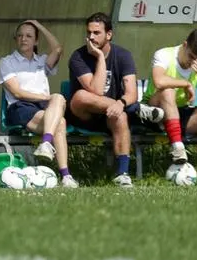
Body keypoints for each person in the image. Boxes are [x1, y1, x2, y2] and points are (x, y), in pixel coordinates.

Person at [66, 12, 162, 188]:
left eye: (96, 33)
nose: (91, 37)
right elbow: (95, 90)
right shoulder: (78, 57)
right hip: (84, 115)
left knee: (121, 116)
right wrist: (101, 57)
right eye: (89, 33)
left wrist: (121, 103)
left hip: (112, 112)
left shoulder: (123, 55)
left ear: (109, 35)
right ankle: (137, 110)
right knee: (80, 96)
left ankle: (122, 174)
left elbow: (131, 92)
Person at [142, 29, 197, 185]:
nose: (193, 62)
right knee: (168, 91)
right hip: (154, 111)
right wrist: (186, 84)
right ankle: (178, 149)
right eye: (191, 56)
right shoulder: (164, 54)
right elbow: (159, 82)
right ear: (185, 45)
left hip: (178, 112)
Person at [0, 20, 78, 188]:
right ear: (15, 39)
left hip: (43, 108)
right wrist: (44, 97)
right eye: (20, 36)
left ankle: (46, 144)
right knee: (59, 119)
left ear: (36, 41)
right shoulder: (6, 62)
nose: (23, 39)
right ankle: (66, 175)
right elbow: (17, 92)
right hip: (20, 107)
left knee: (58, 103)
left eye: (29, 36)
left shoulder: (41, 61)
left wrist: (38, 25)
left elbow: (58, 49)